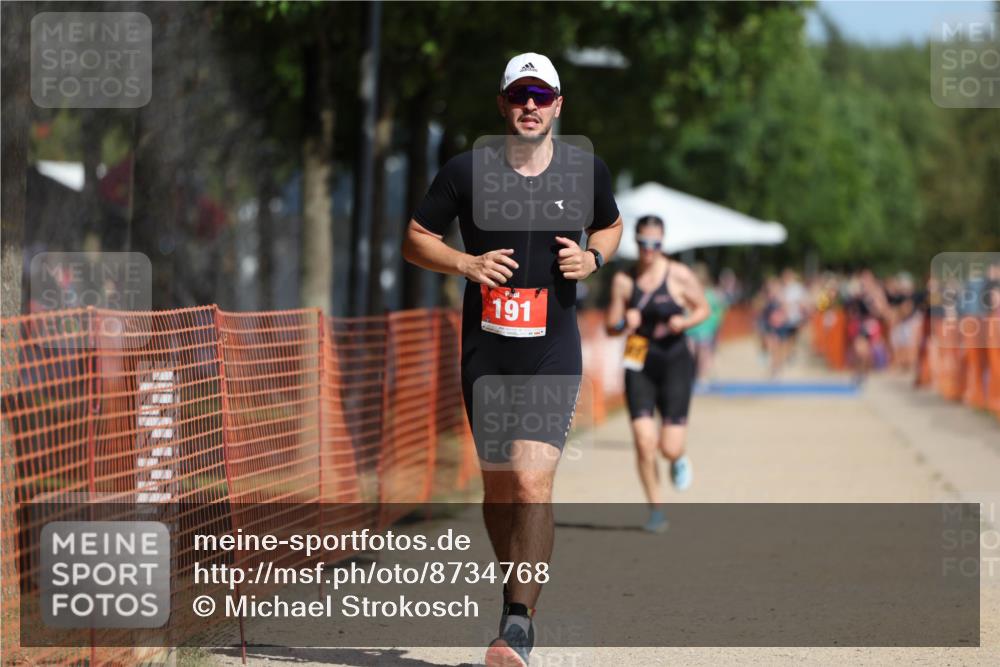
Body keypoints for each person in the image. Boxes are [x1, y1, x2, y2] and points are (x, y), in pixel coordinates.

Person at [402, 52, 623, 667]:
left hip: (553, 350)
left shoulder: (585, 171)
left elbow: (610, 225)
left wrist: (594, 259)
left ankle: (518, 623)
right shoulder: (466, 172)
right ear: (503, 103)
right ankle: (514, 596)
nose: (531, 104)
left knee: (530, 479)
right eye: (520, 94)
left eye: (542, 95)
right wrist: (466, 264)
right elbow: (416, 239)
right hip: (487, 352)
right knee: (500, 488)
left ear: (558, 105)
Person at [605, 215, 709, 533]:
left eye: (656, 245)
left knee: (668, 447)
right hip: (638, 356)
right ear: (635, 243)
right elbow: (611, 327)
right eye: (643, 244)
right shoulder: (624, 280)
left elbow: (703, 308)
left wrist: (686, 323)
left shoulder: (679, 275)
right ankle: (656, 510)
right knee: (643, 440)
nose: (649, 250)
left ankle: (678, 458)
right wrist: (626, 322)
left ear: (663, 244)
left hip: (675, 358)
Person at [687, 263, 727, 383]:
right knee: (690, 354)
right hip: (690, 330)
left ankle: (702, 377)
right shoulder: (689, 293)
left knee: (703, 355)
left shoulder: (711, 294)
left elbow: (720, 310)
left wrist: (716, 324)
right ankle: (692, 375)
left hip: (706, 330)